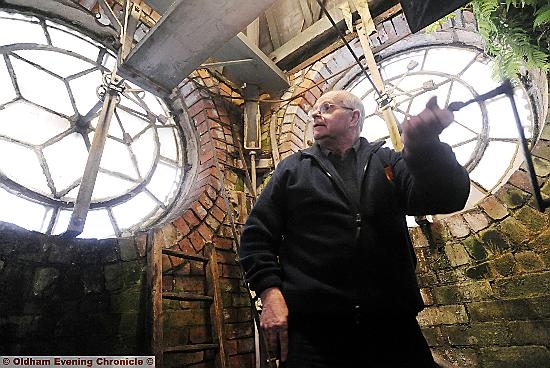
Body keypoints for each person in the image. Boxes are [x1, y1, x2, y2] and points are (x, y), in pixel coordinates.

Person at [238, 90, 470, 367]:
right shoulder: (292, 169)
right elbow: (256, 237)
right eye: (314, 109)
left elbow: (446, 197)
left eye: (326, 107)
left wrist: (425, 148)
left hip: (393, 330)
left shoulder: (388, 162)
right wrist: (269, 293)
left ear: (353, 117)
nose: (315, 113)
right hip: (313, 336)